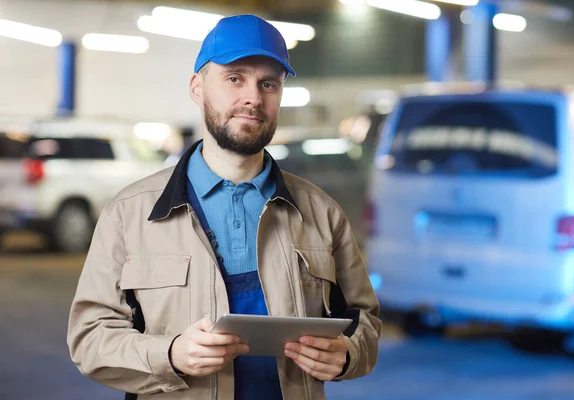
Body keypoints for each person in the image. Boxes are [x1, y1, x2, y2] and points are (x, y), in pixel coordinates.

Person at [67, 14, 381, 400]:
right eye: (235, 78)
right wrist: (169, 354)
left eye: (268, 83)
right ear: (197, 87)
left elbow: (364, 322)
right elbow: (90, 338)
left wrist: (347, 355)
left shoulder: (321, 213)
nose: (253, 97)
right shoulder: (130, 213)